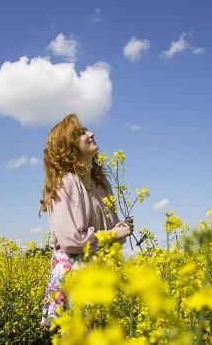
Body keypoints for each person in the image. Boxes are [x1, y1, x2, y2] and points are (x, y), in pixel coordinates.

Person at [39, 113, 134, 329]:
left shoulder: (102, 185)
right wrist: (113, 234)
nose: (91, 133)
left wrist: (122, 229)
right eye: (81, 132)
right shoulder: (65, 181)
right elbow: (72, 242)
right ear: (68, 145)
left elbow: (115, 239)